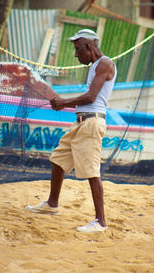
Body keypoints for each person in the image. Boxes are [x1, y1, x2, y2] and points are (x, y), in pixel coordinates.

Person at [26, 29, 117, 233]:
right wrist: (66, 103)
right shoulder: (95, 65)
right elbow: (89, 95)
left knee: (92, 172)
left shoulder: (105, 63)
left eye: (78, 50)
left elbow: (92, 96)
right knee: (58, 159)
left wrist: (64, 102)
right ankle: (52, 204)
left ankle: (100, 222)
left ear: (89, 46)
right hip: (81, 123)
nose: (76, 55)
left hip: (91, 124)